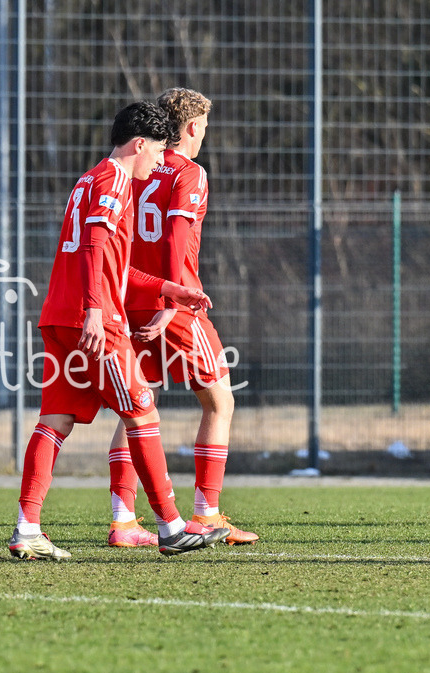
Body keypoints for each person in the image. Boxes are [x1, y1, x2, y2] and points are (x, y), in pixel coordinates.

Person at [7, 101, 230, 560]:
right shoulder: (114, 181)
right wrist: (94, 307)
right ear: (140, 144)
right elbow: (94, 246)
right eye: (156, 153)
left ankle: (27, 527)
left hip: (59, 316)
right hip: (97, 321)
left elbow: (114, 264)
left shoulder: (89, 179)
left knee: (54, 421)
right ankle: (170, 525)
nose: (159, 163)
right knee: (143, 413)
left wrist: (171, 289)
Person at [104, 88, 258, 547]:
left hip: (128, 298)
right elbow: (175, 239)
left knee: (137, 407)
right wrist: (175, 302)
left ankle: (123, 520)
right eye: (205, 126)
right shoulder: (189, 172)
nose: (205, 134)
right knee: (219, 401)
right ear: (193, 127)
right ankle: (207, 513)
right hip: (173, 304)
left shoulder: (130, 167)